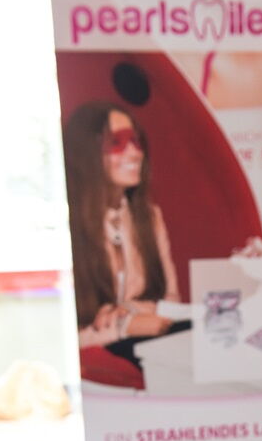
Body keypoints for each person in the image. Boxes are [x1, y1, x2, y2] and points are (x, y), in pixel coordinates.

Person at [63, 102, 182, 352]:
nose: (134, 153)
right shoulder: (63, 224)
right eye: (116, 142)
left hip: (148, 351)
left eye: (136, 141)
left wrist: (129, 310)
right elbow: (54, 335)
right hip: (91, 364)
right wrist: (123, 326)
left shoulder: (150, 217)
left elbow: (171, 301)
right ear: (86, 152)